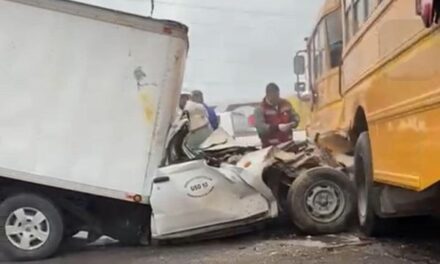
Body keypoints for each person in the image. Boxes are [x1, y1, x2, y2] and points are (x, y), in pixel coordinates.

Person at [254, 83, 300, 147]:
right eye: (274, 97)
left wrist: (294, 123)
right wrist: (277, 127)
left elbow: (295, 116)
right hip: (271, 148)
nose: (277, 99)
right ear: (268, 95)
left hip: (288, 145)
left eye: (278, 95)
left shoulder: (286, 104)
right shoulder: (260, 109)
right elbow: (261, 128)